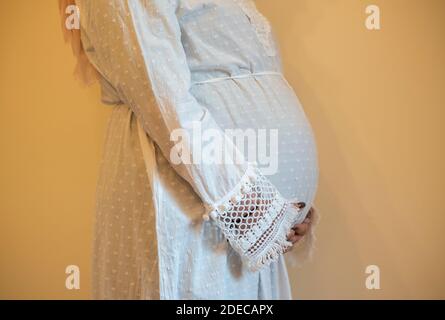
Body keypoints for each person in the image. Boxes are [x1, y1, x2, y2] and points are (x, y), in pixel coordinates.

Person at [60, 0, 319, 299]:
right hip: (192, 205)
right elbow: (162, 100)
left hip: (240, 219)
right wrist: (259, 212)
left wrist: (285, 207)